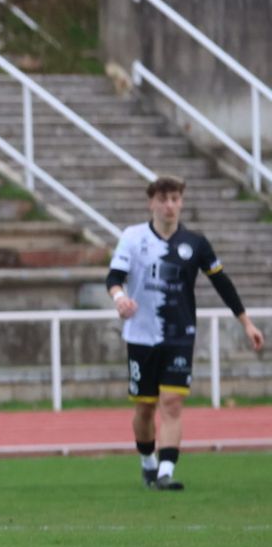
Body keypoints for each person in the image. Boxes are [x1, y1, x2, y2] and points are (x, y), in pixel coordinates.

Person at [107, 175, 263, 490]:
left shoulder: (195, 243)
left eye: (175, 199)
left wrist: (246, 322)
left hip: (179, 334)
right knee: (145, 408)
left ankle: (165, 472)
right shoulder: (133, 237)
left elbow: (222, 282)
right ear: (151, 203)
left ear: (181, 202)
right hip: (141, 336)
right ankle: (148, 462)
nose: (169, 205)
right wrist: (120, 299)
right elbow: (114, 277)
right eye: (163, 199)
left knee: (173, 403)